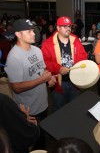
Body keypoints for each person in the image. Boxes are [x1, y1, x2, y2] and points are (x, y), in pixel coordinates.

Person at [4, 19, 55, 150]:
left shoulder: (37, 50)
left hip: (42, 103)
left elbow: (41, 69)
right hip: (28, 109)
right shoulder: (14, 57)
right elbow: (16, 87)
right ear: (18, 35)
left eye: (33, 30)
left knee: (41, 135)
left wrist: (48, 78)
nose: (34, 34)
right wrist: (42, 80)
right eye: (29, 31)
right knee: (30, 139)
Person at [41, 16, 88, 111]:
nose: (68, 29)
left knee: (75, 108)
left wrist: (77, 67)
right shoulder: (48, 43)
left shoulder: (75, 39)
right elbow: (45, 61)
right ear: (58, 28)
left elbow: (83, 56)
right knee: (59, 109)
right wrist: (59, 69)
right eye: (65, 26)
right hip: (59, 83)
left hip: (75, 82)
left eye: (69, 26)